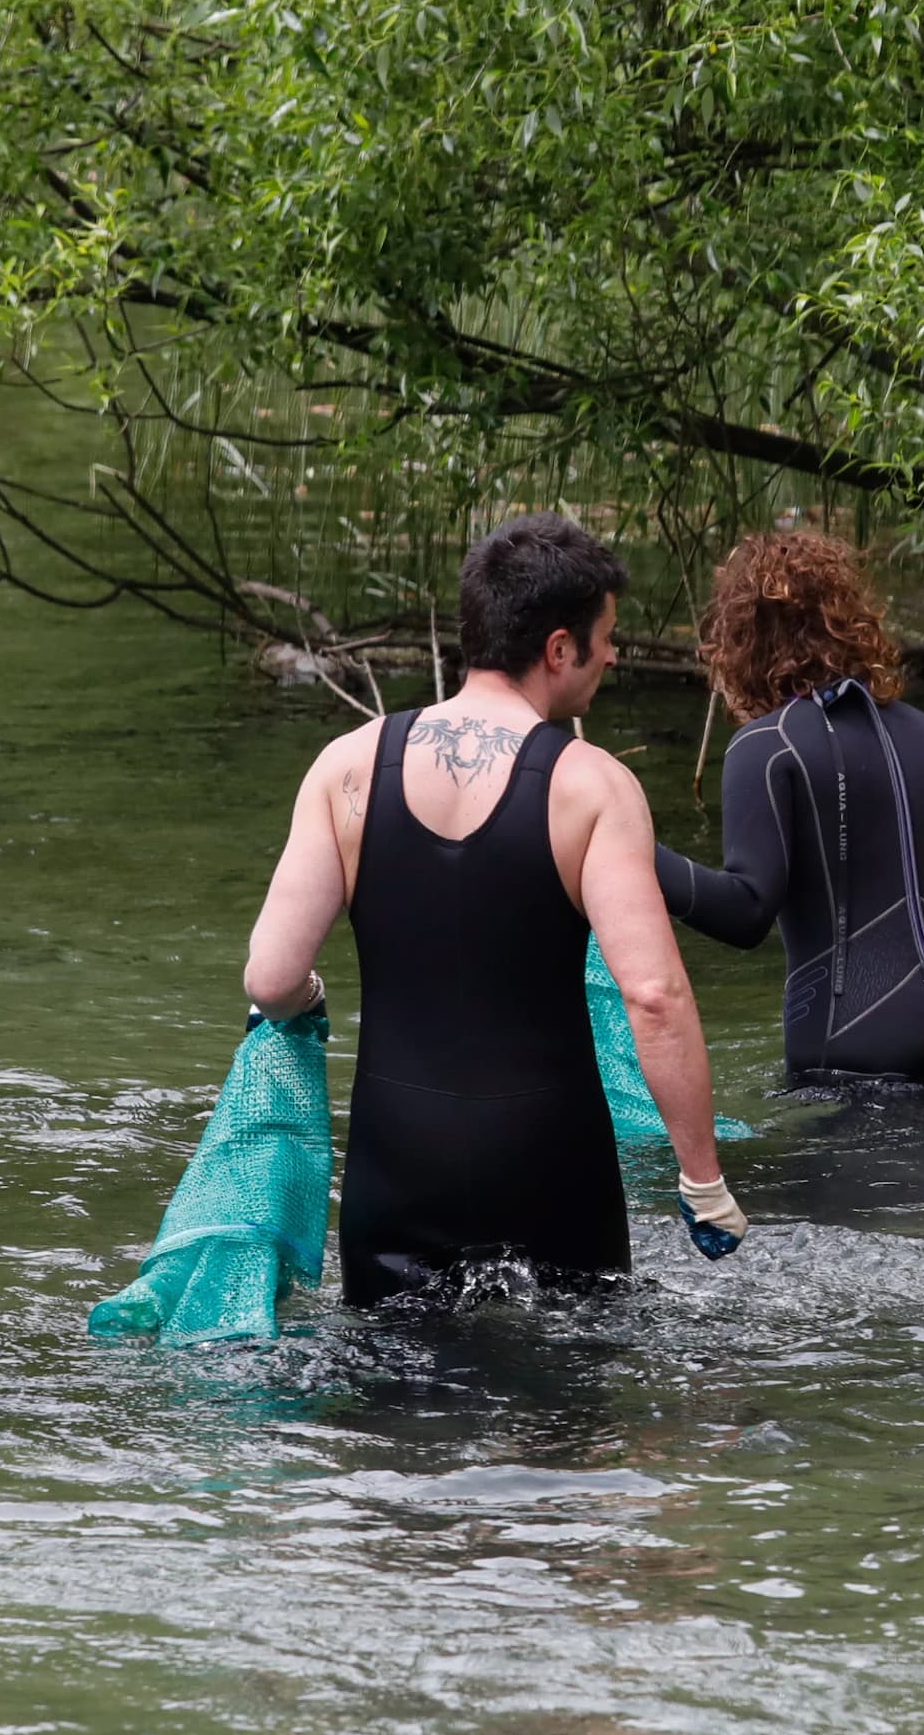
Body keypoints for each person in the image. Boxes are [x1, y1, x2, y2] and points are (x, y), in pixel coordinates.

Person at [241, 513, 749, 1300]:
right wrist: (702, 1177)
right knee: (570, 1400)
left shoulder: (347, 767)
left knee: (399, 1402)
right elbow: (653, 996)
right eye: (606, 636)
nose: (614, 654)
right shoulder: (594, 785)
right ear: (557, 649)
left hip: (396, 1165)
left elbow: (271, 980)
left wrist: (310, 1001)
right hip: (549, 1161)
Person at [655, 532, 924, 1083]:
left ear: (740, 645)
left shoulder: (767, 747)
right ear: (855, 626)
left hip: (857, 1046)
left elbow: (745, 911)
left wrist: (629, 848)